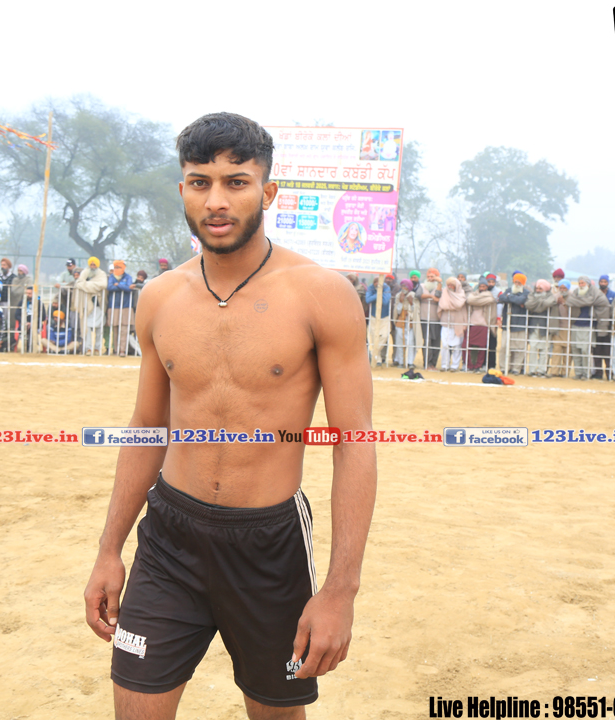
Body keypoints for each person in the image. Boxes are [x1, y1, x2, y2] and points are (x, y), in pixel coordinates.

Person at [83, 112, 375, 720]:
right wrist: (110, 548)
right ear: (183, 189)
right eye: (200, 182)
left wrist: (341, 589)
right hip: (169, 537)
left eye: (236, 182)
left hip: (268, 544)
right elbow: (147, 428)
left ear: (268, 192)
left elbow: (354, 443)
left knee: (274, 713)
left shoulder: (321, 294)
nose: (216, 201)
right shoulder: (160, 296)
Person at [565, 275, 610, 380]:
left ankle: (586, 373)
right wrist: (585, 301)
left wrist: (580, 301)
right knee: (575, 349)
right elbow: (569, 301)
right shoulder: (576, 292)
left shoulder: (596, 292)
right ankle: (578, 373)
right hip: (575, 324)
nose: (581, 285)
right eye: (580, 283)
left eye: (583, 283)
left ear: (588, 284)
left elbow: (594, 301)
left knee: (585, 350)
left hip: (588, 326)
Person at [74, 256, 108, 355]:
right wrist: (93, 286)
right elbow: (78, 284)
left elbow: (103, 285)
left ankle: (97, 348)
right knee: (87, 328)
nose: (92, 266)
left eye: (94, 264)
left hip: (99, 305)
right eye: (91, 264)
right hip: (87, 305)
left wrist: (86, 285)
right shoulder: (85, 272)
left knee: (99, 328)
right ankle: (88, 348)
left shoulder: (101, 274)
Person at [497, 272, 529, 374]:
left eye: (519, 282)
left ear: (523, 283)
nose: (517, 284)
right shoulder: (508, 290)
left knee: (519, 348)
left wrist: (509, 298)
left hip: (520, 324)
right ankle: (504, 367)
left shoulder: (526, 292)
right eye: (516, 282)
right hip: (507, 324)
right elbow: (501, 298)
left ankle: (516, 368)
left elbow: (521, 300)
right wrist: (513, 298)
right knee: (504, 347)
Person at [524, 279, 557, 377]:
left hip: (546, 326)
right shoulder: (531, 295)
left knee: (544, 349)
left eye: (540, 288)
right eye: (537, 288)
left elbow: (548, 303)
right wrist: (541, 301)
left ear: (546, 289)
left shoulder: (551, 296)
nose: (538, 290)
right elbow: (528, 305)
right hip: (533, 325)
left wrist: (537, 303)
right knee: (533, 347)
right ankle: (532, 370)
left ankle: (542, 370)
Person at [466, 278, 498, 371]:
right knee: (472, 346)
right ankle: (471, 365)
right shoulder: (473, 295)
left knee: (482, 347)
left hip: (485, 324)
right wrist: (479, 300)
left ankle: (480, 365)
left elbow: (490, 300)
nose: (482, 288)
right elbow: (470, 300)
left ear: (486, 287)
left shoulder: (490, 296)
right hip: (473, 323)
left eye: (484, 286)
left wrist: (476, 300)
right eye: (480, 286)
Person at [438, 276, 467, 371]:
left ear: (456, 286)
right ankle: (444, 365)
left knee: (457, 346)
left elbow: (460, 305)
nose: (450, 286)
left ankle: (454, 366)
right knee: (445, 345)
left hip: (458, 323)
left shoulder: (461, 294)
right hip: (446, 323)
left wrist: (465, 323)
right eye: (448, 285)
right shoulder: (444, 293)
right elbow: (443, 305)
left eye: (452, 285)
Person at [106, 260, 135, 357]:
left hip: (126, 306)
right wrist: (123, 286)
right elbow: (110, 287)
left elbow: (129, 288)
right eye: (115, 267)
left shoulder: (128, 277)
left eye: (119, 267)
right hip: (114, 306)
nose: (117, 269)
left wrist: (118, 285)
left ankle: (122, 350)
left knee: (124, 329)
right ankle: (116, 349)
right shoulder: (111, 277)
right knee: (115, 329)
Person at [591, 275, 615, 379]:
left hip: (608, 327)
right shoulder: (595, 294)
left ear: (608, 283)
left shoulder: (613, 295)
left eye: (605, 281)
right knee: (596, 351)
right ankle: (598, 373)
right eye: (601, 281)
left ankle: (609, 373)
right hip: (596, 326)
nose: (603, 283)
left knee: (607, 351)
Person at [392, 278, 420, 366]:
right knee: (399, 343)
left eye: (406, 286)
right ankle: (401, 362)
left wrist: (411, 303)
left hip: (410, 323)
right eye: (402, 286)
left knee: (410, 343)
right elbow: (397, 311)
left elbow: (416, 311)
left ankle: (410, 362)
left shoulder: (413, 296)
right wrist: (401, 301)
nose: (404, 288)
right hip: (400, 322)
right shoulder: (398, 295)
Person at [418, 269, 442, 369]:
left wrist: (439, 283)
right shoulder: (422, 286)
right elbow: (418, 295)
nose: (430, 278)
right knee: (427, 341)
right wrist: (431, 296)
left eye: (432, 277)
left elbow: (438, 296)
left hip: (436, 319)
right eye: (428, 276)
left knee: (436, 342)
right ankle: (427, 363)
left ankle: (433, 364)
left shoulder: (440, 287)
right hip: (424, 318)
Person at [365, 274, 391, 367]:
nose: (377, 284)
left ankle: (373, 353)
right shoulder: (371, 287)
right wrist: (378, 293)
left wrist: (379, 292)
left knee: (384, 336)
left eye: (378, 282)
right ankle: (378, 360)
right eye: (375, 282)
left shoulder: (386, 288)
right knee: (373, 336)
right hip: (373, 316)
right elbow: (368, 300)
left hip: (384, 316)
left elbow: (385, 301)